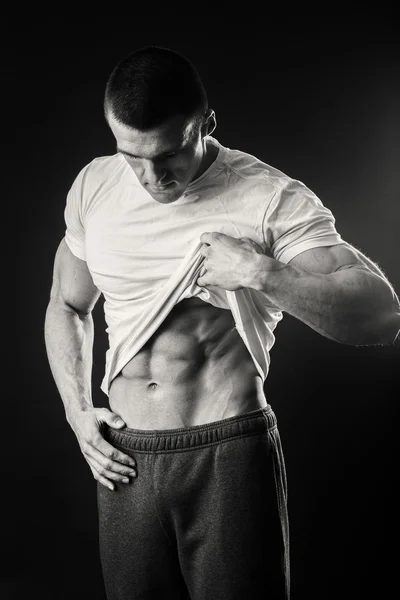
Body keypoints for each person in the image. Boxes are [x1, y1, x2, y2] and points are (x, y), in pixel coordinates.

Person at [44, 45, 400, 600]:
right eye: (132, 157)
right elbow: (67, 306)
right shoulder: (95, 185)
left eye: (168, 156)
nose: (150, 177)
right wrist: (76, 412)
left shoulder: (266, 197)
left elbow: (381, 315)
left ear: (205, 124)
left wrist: (261, 273)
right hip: (125, 458)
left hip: (226, 453)